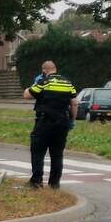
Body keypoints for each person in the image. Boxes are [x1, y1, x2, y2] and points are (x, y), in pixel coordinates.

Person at [23, 60, 78, 188]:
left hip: (45, 122)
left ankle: (36, 182)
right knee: (57, 153)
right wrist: (72, 120)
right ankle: (54, 184)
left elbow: (27, 95)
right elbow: (74, 103)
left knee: (37, 152)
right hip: (62, 123)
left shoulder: (43, 82)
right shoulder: (68, 83)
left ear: (44, 71)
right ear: (55, 69)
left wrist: (35, 83)